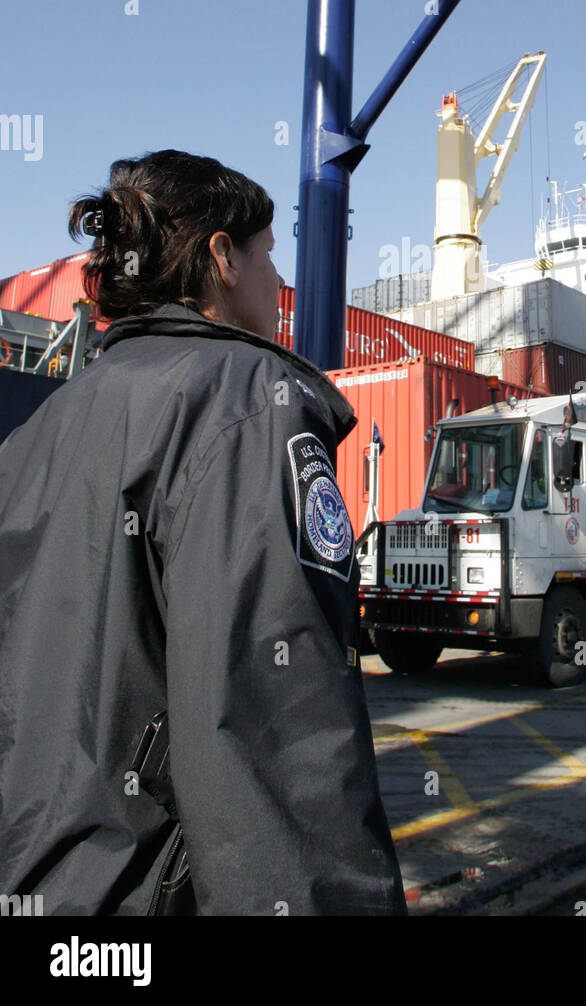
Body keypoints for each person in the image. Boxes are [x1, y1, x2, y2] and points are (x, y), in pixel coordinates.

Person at [0, 149, 406, 916]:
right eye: (268, 255)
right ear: (222, 256)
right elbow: (274, 734)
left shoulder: (36, 433)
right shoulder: (250, 405)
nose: (279, 283)